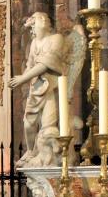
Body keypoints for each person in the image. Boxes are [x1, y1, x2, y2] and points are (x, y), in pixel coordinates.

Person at [8, 12, 72, 168]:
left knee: (49, 127)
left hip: (53, 89)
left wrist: (22, 79)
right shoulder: (34, 43)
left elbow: (45, 64)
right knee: (28, 123)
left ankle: (55, 157)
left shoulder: (56, 39)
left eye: (33, 26)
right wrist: (23, 76)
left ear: (43, 22)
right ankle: (31, 152)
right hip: (36, 88)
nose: (32, 31)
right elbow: (30, 65)